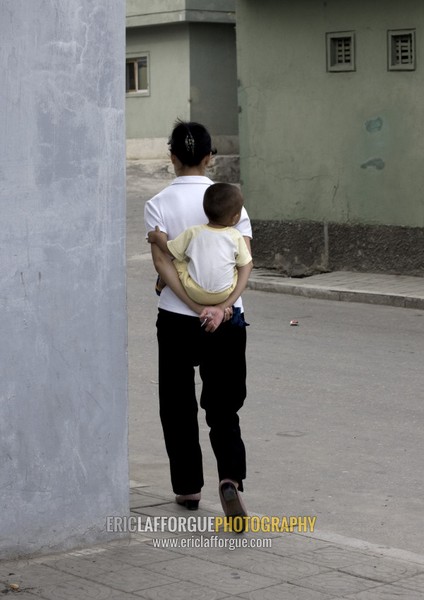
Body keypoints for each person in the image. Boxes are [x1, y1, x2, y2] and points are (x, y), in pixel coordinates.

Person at [144, 119, 252, 520]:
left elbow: (162, 262)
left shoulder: (157, 204)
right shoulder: (231, 200)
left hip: (176, 318)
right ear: (210, 157)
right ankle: (230, 479)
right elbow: (244, 261)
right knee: (224, 405)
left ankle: (188, 488)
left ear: (172, 157)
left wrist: (192, 306)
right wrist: (221, 308)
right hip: (227, 320)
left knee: (177, 404)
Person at [147, 182, 253, 309]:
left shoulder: (193, 232)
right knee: (236, 266)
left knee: (177, 260)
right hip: (224, 294)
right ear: (235, 218)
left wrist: (157, 239)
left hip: (194, 292)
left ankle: (161, 283)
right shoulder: (236, 237)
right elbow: (247, 264)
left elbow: (170, 250)